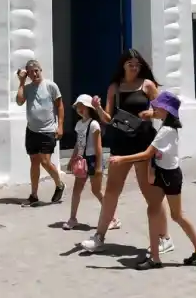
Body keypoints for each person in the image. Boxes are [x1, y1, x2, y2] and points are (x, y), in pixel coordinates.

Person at [79, 49, 173, 254]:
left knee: (151, 193)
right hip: (121, 145)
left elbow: (163, 112)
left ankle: (165, 238)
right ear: (123, 65)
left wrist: (151, 112)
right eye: (130, 63)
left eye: (137, 64)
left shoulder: (147, 85)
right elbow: (108, 118)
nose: (134, 67)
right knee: (112, 191)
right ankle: (99, 237)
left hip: (143, 144)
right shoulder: (115, 87)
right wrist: (99, 108)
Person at [108, 91, 196, 269]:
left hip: (169, 177)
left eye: (157, 107)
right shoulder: (168, 127)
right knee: (155, 211)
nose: (154, 108)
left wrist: (120, 159)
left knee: (176, 215)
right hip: (165, 174)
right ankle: (157, 257)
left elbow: (147, 154)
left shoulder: (166, 131)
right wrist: (148, 114)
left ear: (166, 110)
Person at [62, 95, 118, 231]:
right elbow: (78, 143)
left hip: (93, 160)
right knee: (77, 190)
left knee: (97, 190)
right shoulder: (79, 124)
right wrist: (72, 158)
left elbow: (98, 147)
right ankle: (72, 218)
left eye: (82, 106)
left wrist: (99, 166)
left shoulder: (94, 124)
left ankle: (113, 218)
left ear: (89, 108)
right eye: (77, 107)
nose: (79, 109)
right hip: (82, 160)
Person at [16, 59, 65, 206]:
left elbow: (60, 106)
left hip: (48, 130)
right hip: (32, 131)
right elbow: (19, 101)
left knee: (45, 162)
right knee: (34, 162)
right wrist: (21, 81)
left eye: (36, 70)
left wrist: (60, 125)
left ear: (40, 69)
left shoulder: (51, 86)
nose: (34, 73)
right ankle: (34, 194)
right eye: (30, 72)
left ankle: (59, 184)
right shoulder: (28, 88)